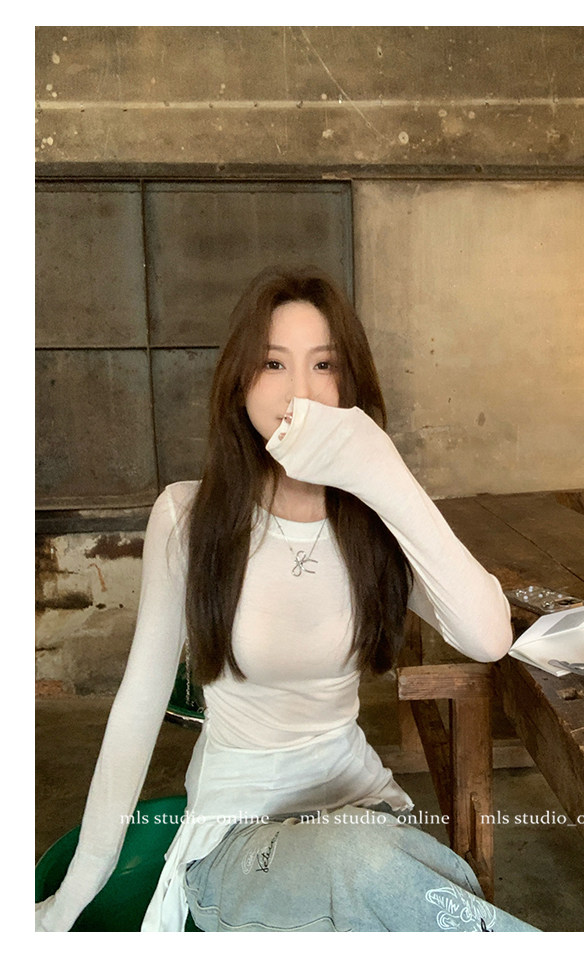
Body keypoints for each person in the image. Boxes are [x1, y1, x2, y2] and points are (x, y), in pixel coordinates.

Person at [36, 266, 538, 933]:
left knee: (375, 869)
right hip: (241, 839)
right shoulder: (189, 517)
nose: (299, 391)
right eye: (273, 363)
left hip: (361, 815)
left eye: (323, 364)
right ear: (241, 380)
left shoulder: (373, 520)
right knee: (372, 871)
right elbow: (137, 708)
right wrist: (69, 900)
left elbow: (488, 637)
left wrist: (384, 471)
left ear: (350, 385)